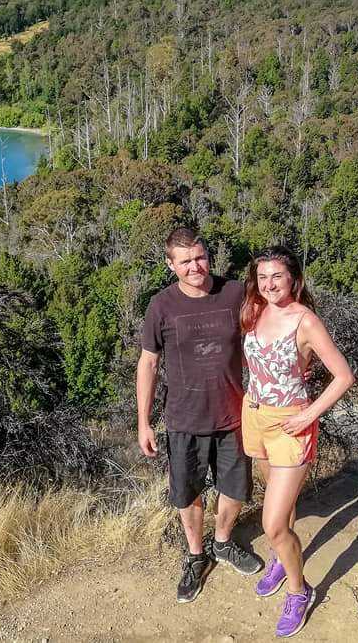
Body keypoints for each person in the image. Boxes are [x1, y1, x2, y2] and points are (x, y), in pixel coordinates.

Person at [137, 227, 264, 603]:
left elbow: (266, 333)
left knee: (236, 489)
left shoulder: (233, 292)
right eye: (185, 261)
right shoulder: (161, 306)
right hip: (184, 420)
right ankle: (196, 555)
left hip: (234, 416)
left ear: (208, 255)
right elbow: (148, 363)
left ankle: (223, 542)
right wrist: (144, 422)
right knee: (187, 494)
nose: (195, 267)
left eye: (200, 257)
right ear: (171, 264)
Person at [240, 245, 355, 638]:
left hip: (291, 425)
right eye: (263, 277)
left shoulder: (305, 321)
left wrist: (308, 414)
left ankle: (298, 590)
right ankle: (281, 559)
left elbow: (343, 376)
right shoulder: (254, 311)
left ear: (294, 279)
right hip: (255, 417)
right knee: (279, 505)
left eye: (278, 276)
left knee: (272, 523)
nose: (270, 284)